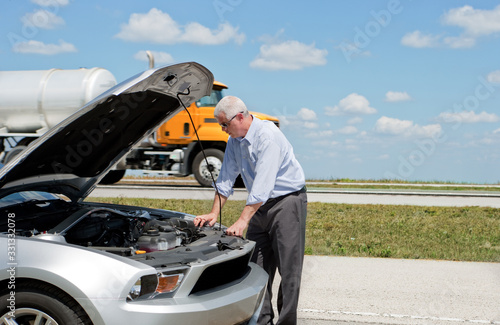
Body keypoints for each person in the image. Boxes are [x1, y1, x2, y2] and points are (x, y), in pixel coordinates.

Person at [194, 95, 307, 325]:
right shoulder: (235, 141)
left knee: (289, 271)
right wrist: (214, 213)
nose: (222, 129)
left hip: (287, 203)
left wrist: (242, 221)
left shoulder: (268, 136)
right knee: (257, 268)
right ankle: (261, 321)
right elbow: (225, 177)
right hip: (260, 207)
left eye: (224, 124)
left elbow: (263, 185)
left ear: (240, 117)